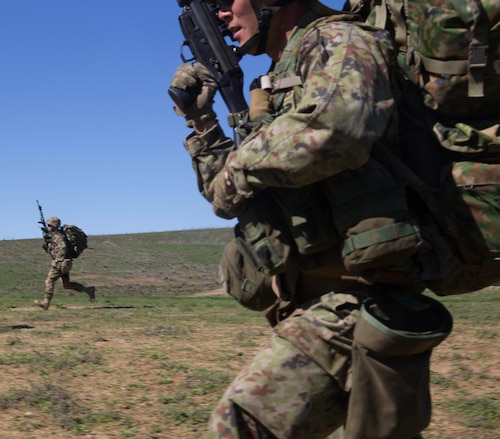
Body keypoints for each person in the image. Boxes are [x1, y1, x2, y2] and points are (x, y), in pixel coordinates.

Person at [169, 0, 452, 438]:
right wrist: (203, 123)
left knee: (239, 425)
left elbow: (338, 128)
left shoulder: (338, 39)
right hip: (318, 305)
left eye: (227, 1)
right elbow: (231, 199)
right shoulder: (279, 82)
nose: (222, 14)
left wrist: (238, 169)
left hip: (359, 303)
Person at [35, 216, 96, 310]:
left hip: (61, 263)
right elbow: (49, 249)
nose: (48, 227)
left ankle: (46, 303)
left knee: (49, 280)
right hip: (66, 263)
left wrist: (58, 260)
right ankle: (88, 290)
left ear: (54, 225)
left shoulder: (57, 236)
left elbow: (63, 247)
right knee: (66, 284)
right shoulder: (55, 235)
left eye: (50, 225)